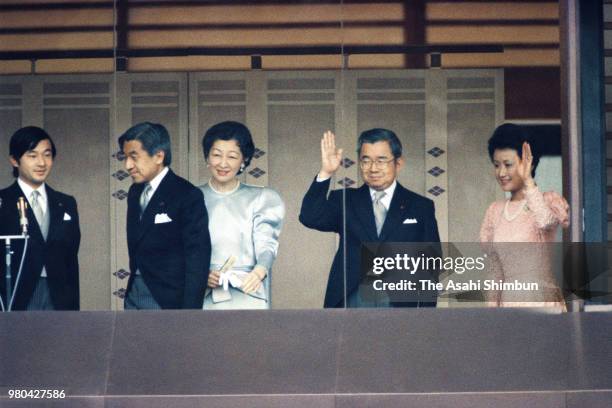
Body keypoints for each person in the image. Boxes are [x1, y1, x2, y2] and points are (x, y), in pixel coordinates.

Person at [300, 129, 441, 308]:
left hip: (401, 303)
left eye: (381, 160)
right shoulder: (345, 200)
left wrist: (426, 314)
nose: (373, 168)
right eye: (366, 161)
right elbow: (309, 217)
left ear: (398, 163)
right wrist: (326, 172)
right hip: (352, 300)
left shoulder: (420, 206)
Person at [119, 122, 211, 310]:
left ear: (159, 156)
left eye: (134, 157)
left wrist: (190, 313)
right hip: (134, 294)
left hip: (168, 299)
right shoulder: (135, 191)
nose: (128, 165)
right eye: (125, 157)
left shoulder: (187, 194)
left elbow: (197, 258)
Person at [479, 123, 569, 308]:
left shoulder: (548, 201)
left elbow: (545, 222)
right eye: (496, 165)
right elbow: (496, 271)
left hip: (541, 300)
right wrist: (491, 314)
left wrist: (528, 180)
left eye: (508, 164)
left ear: (529, 163)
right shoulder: (494, 211)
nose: (501, 172)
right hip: (509, 304)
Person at [200, 121, 284, 310]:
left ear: (243, 160)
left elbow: (266, 243)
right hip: (204, 292)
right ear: (207, 157)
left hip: (248, 290)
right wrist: (201, 274)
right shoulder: (192, 198)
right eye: (216, 155)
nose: (223, 163)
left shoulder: (262, 198)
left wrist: (259, 271)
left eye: (232, 156)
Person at [0, 126, 80, 311]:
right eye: (32, 155)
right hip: (16, 296)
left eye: (47, 154)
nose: (41, 162)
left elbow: (71, 260)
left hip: (59, 296)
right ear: (14, 160)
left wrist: (73, 308)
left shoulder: (66, 203)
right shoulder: (3, 201)